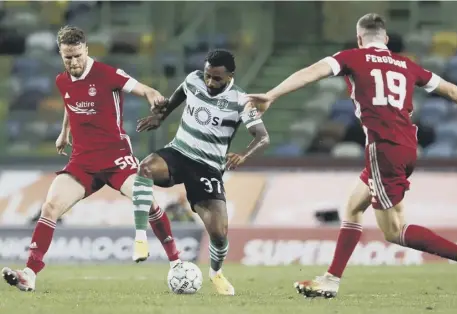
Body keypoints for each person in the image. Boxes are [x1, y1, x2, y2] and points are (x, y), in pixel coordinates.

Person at [247, 13, 457, 299]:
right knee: (353, 206)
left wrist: (272, 94)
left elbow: (312, 71)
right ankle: (331, 278)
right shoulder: (406, 64)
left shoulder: (352, 57)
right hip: (406, 146)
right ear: (386, 39)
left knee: (394, 230)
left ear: (359, 37)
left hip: (383, 148)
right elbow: (448, 88)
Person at [2, 26, 181, 292]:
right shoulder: (62, 80)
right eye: (67, 57)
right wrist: (64, 134)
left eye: (77, 56)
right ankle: (30, 272)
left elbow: (142, 88)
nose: (73, 62)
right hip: (83, 162)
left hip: (117, 157)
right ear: (61, 54)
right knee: (50, 207)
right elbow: (69, 103)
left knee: (147, 201)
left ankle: (176, 262)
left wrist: (153, 94)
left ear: (86, 49)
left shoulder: (107, 74)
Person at [132, 49, 270, 295]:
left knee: (218, 233)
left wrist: (243, 154)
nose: (209, 82)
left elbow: (262, 136)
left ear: (230, 76)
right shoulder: (193, 80)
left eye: (216, 78)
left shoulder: (241, 100)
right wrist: (160, 118)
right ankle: (140, 237)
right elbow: (174, 100)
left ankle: (216, 273)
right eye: (208, 75)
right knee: (145, 168)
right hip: (178, 152)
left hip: (207, 167)